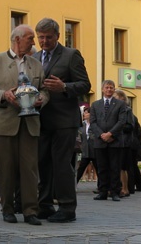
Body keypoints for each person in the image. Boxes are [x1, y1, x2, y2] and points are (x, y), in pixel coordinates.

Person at [0, 24, 48, 226]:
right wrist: (4, 95)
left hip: (30, 123)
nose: (34, 42)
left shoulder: (36, 64)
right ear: (17, 39)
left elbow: (44, 90)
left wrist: (41, 99)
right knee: (6, 168)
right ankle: (8, 209)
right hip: (5, 123)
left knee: (30, 169)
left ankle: (30, 210)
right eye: (30, 38)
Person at [33, 18, 90, 223]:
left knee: (62, 164)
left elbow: (85, 85)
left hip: (64, 121)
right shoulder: (35, 56)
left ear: (58, 35)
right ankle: (45, 205)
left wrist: (64, 87)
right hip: (40, 120)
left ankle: (67, 208)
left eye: (48, 37)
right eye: (41, 37)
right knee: (43, 164)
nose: (44, 41)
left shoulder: (71, 55)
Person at [89, 80, 127, 202]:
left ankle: (115, 192)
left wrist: (111, 134)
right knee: (102, 167)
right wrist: (101, 135)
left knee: (115, 168)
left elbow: (122, 122)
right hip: (100, 142)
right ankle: (102, 192)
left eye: (111, 87)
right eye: (107, 87)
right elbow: (93, 122)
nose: (109, 89)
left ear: (114, 89)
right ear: (102, 89)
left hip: (115, 141)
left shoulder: (120, 104)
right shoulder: (95, 104)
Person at [76, 107, 98, 184]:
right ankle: (73, 185)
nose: (84, 114)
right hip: (85, 150)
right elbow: (79, 136)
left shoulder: (96, 124)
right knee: (81, 169)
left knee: (98, 169)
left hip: (94, 149)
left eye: (86, 112)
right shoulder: (82, 124)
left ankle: (101, 188)